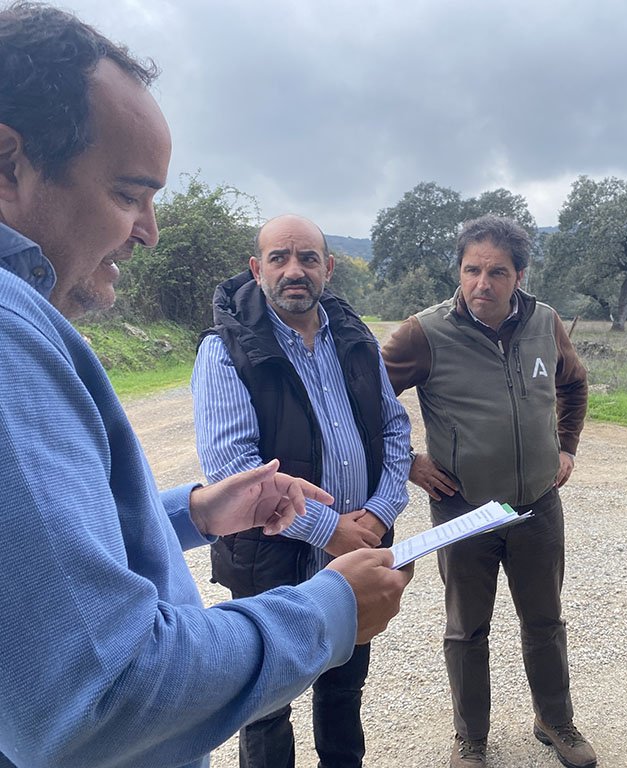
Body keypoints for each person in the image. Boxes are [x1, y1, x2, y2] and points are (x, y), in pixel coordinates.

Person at [0, 4, 411, 766]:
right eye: (129, 193)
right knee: (272, 723)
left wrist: (191, 511)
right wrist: (330, 605)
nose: (151, 231)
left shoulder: (354, 337)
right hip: (284, 566)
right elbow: (101, 696)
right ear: (8, 164)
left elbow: (50, 539)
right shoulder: (11, 334)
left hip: (346, 537)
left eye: (311, 257)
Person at [191, 213, 412, 768]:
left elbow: (395, 430)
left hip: (359, 551)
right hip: (268, 558)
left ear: (328, 268)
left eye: (308, 258)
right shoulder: (225, 351)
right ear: (256, 268)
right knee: (267, 706)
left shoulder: (357, 340)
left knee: (344, 691)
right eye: (279, 258)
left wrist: (379, 515)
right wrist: (332, 529)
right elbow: (232, 468)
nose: (295, 270)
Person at [381, 214, 596, 768]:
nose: (482, 283)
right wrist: (407, 460)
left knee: (545, 620)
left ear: (519, 276)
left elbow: (573, 383)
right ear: (459, 270)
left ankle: (555, 720)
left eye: (497, 272)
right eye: (472, 269)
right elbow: (365, 397)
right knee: (467, 627)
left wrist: (566, 446)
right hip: (464, 509)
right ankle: (471, 736)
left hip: (536, 505)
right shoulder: (424, 332)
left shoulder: (545, 323)